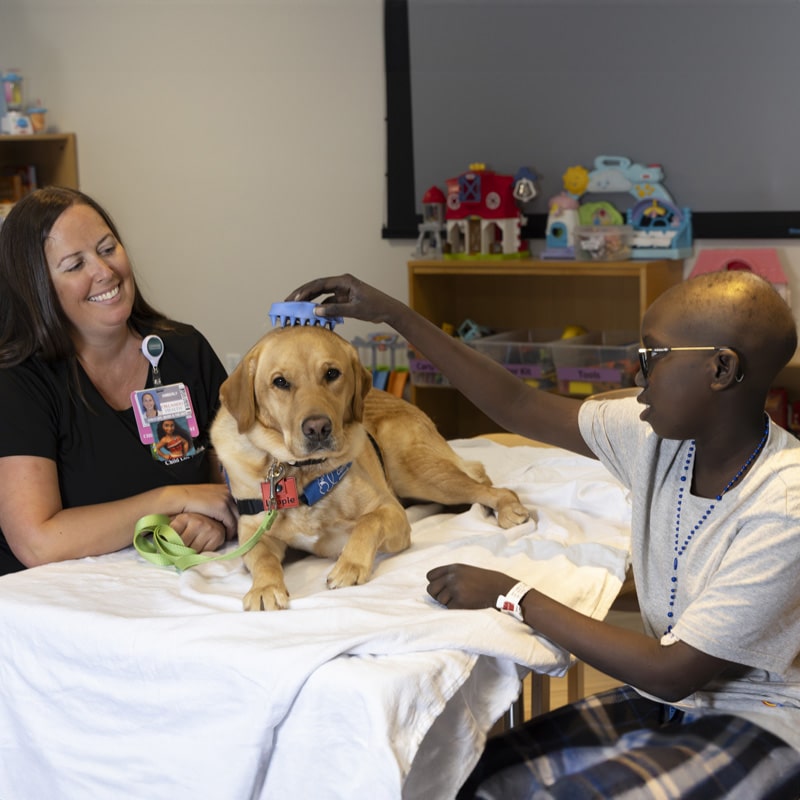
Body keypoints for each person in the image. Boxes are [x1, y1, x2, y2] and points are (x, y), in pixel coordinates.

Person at [289, 271, 800, 799]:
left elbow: (674, 672)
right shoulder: (659, 438)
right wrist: (395, 314)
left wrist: (513, 595)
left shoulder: (782, 506)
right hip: (672, 703)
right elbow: (520, 405)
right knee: (469, 779)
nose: (636, 372)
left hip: (766, 717)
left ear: (721, 368)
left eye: (653, 355)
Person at [0, 187, 237, 575]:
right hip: (50, 605)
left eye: (107, 249)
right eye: (75, 265)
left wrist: (213, 519)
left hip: (162, 587)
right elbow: (37, 542)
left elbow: (230, 482)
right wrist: (169, 499)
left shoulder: (186, 351)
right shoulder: (18, 382)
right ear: (37, 288)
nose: (104, 272)